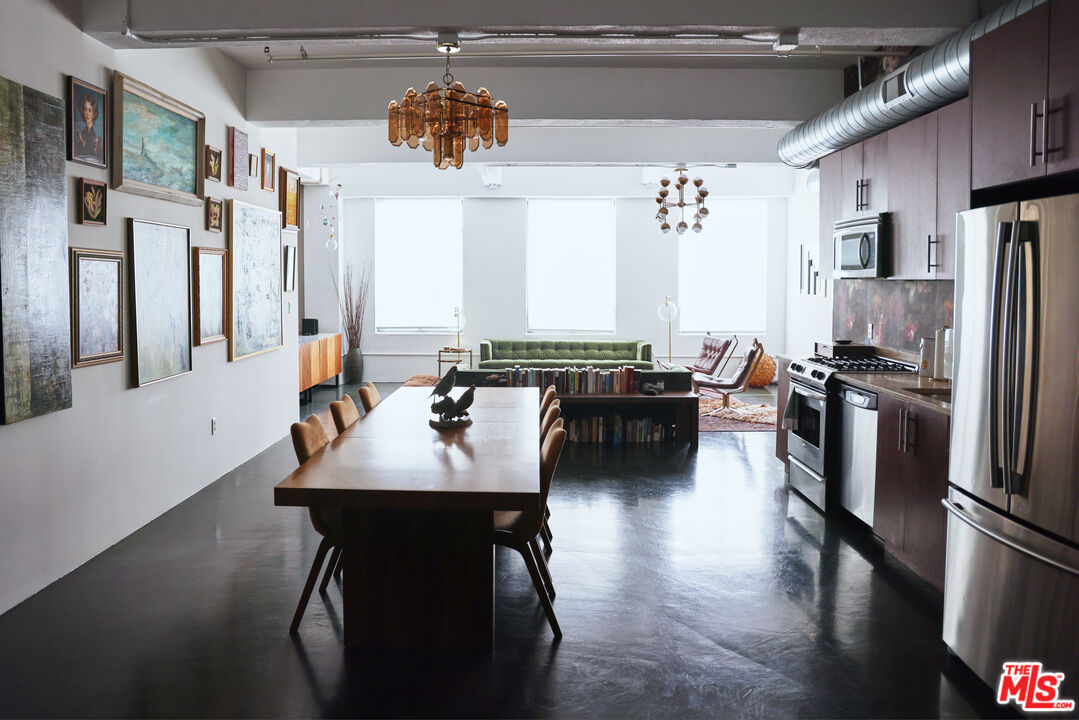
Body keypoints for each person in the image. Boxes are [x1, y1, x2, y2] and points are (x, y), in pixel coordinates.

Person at [72, 94, 103, 162]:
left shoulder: (99, 140)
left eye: (90, 110)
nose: (87, 113)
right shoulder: (77, 136)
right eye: (85, 109)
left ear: (94, 113)